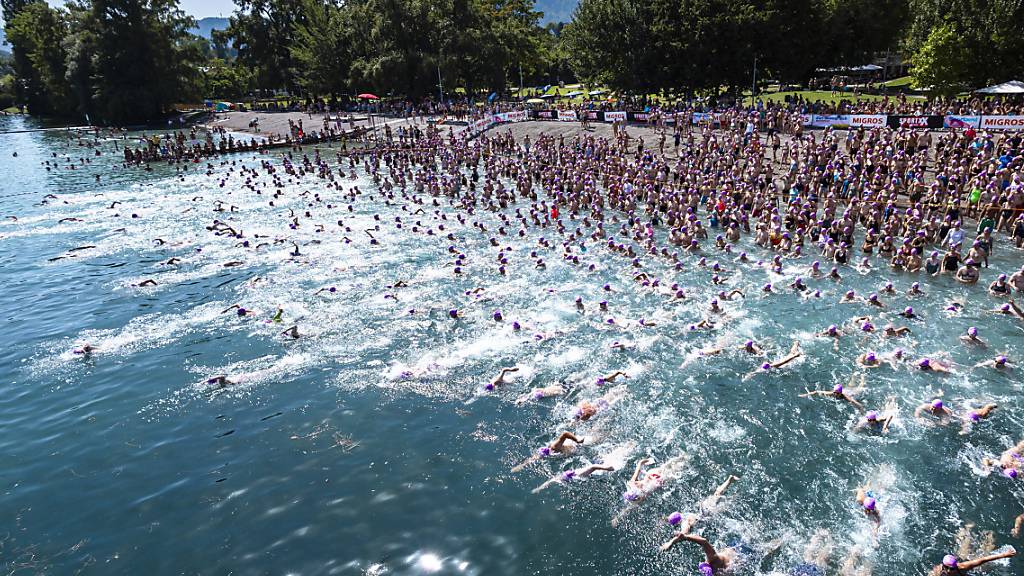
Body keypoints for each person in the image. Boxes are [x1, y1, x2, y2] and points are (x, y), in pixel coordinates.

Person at [659, 475, 740, 552]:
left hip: (706, 513)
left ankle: (735, 494)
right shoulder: (685, 515)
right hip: (703, 507)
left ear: (677, 522)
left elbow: (683, 533)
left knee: (724, 505)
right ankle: (730, 481)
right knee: (717, 494)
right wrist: (665, 520)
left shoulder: (684, 522)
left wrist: (670, 542)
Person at [511, 431, 584, 472]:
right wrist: (521, 466)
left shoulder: (554, 447)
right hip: (576, 449)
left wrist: (577, 441)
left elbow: (565, 434)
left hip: (579, 443)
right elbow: (534, 458)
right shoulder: (549, 454)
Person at [929, 549, 1015, 575]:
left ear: (955, 566)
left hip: (964, 563)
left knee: (985, 564)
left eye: (951, 569)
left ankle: (990, 536)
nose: (948, 571)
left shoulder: (963, 566)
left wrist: (1004, 555)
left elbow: (984, 559)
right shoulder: (937, 572)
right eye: (946, 567)